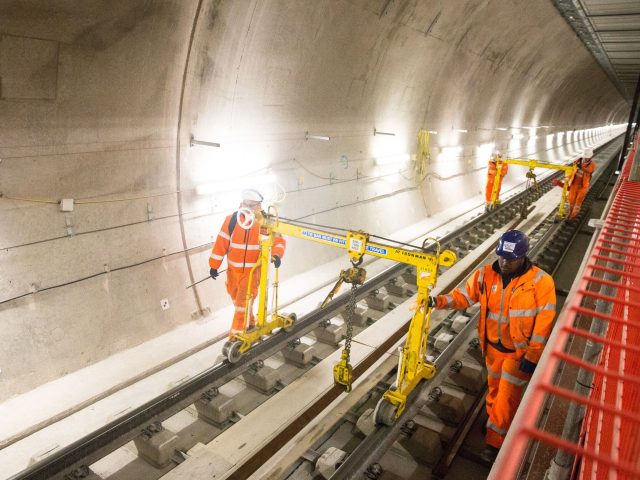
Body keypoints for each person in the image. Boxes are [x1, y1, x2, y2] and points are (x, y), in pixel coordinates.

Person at [433, 230, 556, 462]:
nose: (504, 262)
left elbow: (545, 321)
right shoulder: (485, 275)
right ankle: (493, 422)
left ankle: (495, 442)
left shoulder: (541, 282)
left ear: (523, 257)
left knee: (507, 397)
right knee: (494, 389)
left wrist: (533, 355)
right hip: (492, 349)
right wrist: (437, 301)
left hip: (518, 355)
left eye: (510, 259)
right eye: (501, 257)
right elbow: (463, 297)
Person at [209, 189, 286, 337]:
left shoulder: (266, 221)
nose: (251, 208)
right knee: (237, 300)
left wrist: (277, 255)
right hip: (232, 272)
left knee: (242, 304)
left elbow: (278, 239)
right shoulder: (231, 220)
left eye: (254, 205)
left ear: (259, 204)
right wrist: (214, 265)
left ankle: (236, 337)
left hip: (252, 272)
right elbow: (221, 242)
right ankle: (250, 322)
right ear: (243, 203)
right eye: (248, 204)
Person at [567, 148, 595, 220]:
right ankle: (569, 213)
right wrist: (568, 177)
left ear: (590, 157)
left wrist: (581, 167)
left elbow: (589, 170)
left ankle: (573, 217)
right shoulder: (577, 161)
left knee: (578, 201)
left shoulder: (592, 164)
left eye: (587, 157)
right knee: (571, 199)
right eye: (585, 157)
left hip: (583, 186)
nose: (586, 159)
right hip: (574, 183)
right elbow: (573, 169)